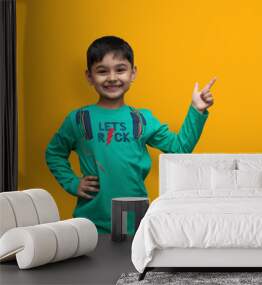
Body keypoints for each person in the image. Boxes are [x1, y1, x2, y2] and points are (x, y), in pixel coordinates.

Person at [45, 35, 215, 234]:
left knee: (131, 266)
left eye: (120, 69)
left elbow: (179, 148)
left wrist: (197, 110)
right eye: (102, 71)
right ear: (89, 76)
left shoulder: (142, 119)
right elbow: (54, 153)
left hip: (136, 222)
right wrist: (72, 183)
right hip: (91, 223)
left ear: (133, 73)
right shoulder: (79, 119)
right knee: (93, 265)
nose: (112, 77)